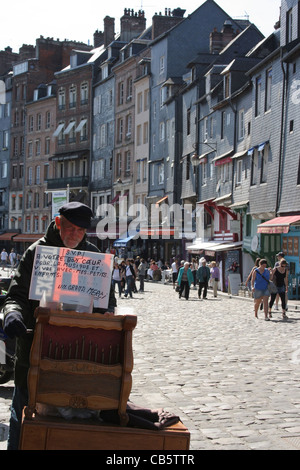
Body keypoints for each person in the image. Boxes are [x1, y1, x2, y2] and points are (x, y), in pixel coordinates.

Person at [1, 202, 117, 450]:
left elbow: (108, 302)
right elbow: (15, 296)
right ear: (57, 222)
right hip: (35, 353)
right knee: (22, 422)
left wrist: (107, 315)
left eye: (80, 230)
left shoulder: (94, 257)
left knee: (70, 431)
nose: (75, 235)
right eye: (70, 228)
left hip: (78, 357)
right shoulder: (36, 252)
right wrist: (13, 314)